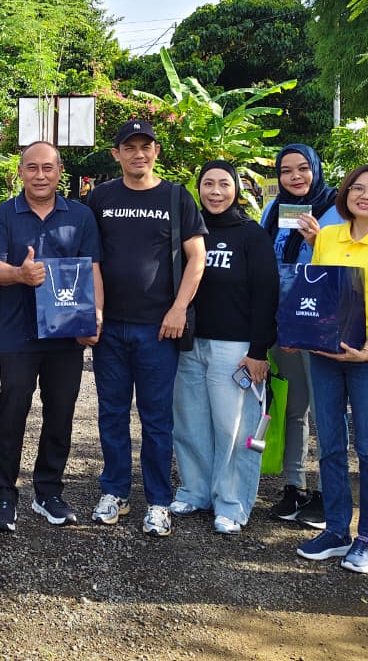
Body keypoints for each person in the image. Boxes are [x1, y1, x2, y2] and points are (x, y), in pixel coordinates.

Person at [87, 120, 206, 536]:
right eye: (129, 147)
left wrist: (178, 308)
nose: (139, 153)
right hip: (111, 330)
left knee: (157, 420)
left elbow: (197, 257)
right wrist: (94, 311)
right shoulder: (100, 197)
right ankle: (114, 491)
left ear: (156, 151)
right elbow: (92, 260)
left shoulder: (176, 196)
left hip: (159, 331)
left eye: (146, 146)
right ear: (116, 153)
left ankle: (158, 501)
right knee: (112, 414)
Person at [0, 141, 102, 532]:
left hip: (66, 335)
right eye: (31, 168)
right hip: (19, 332)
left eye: (47, 168)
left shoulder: (81, 216)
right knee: (12, 409)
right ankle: (4, 495)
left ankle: (48, 491)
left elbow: (93, 269)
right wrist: (19, 274)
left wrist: (94, 318)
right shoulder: (2, 215)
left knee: (61, 413)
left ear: (59, 171)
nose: (40, 175)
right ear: (20, 172)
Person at [296, 164, 368, 570]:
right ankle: (337, 529)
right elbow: (321, 293)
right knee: (328, 445)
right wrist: (305, 337)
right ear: (345, 194)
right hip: (325, 357)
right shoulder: (327, 236)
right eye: (358, 188)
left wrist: (367, 348)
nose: (365, 195)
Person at [170, 160, 278, 534]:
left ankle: (231, 503)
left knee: (234, 428)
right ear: (198, 188)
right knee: (190, 424)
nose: (215, 192)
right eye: (207, 184)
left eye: (223, 184)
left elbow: (267, 295)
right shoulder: (188, 231)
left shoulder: (252, 235)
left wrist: (259, 351)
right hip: (189, 344)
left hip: (235, 350)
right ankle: (195, 490)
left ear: (236, 189)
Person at [259, 143, 342, 528]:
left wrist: (316, 242)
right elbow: (262, 263)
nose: (295, 176)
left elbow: (343, 269)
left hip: (320, 325)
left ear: (316, 168)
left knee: (325, 411)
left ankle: (329, 494)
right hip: (281, 323)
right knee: (293, 409)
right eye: (287, 170)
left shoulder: (335, 210)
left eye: (303, 168)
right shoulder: (272, 211)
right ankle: (294, 486)